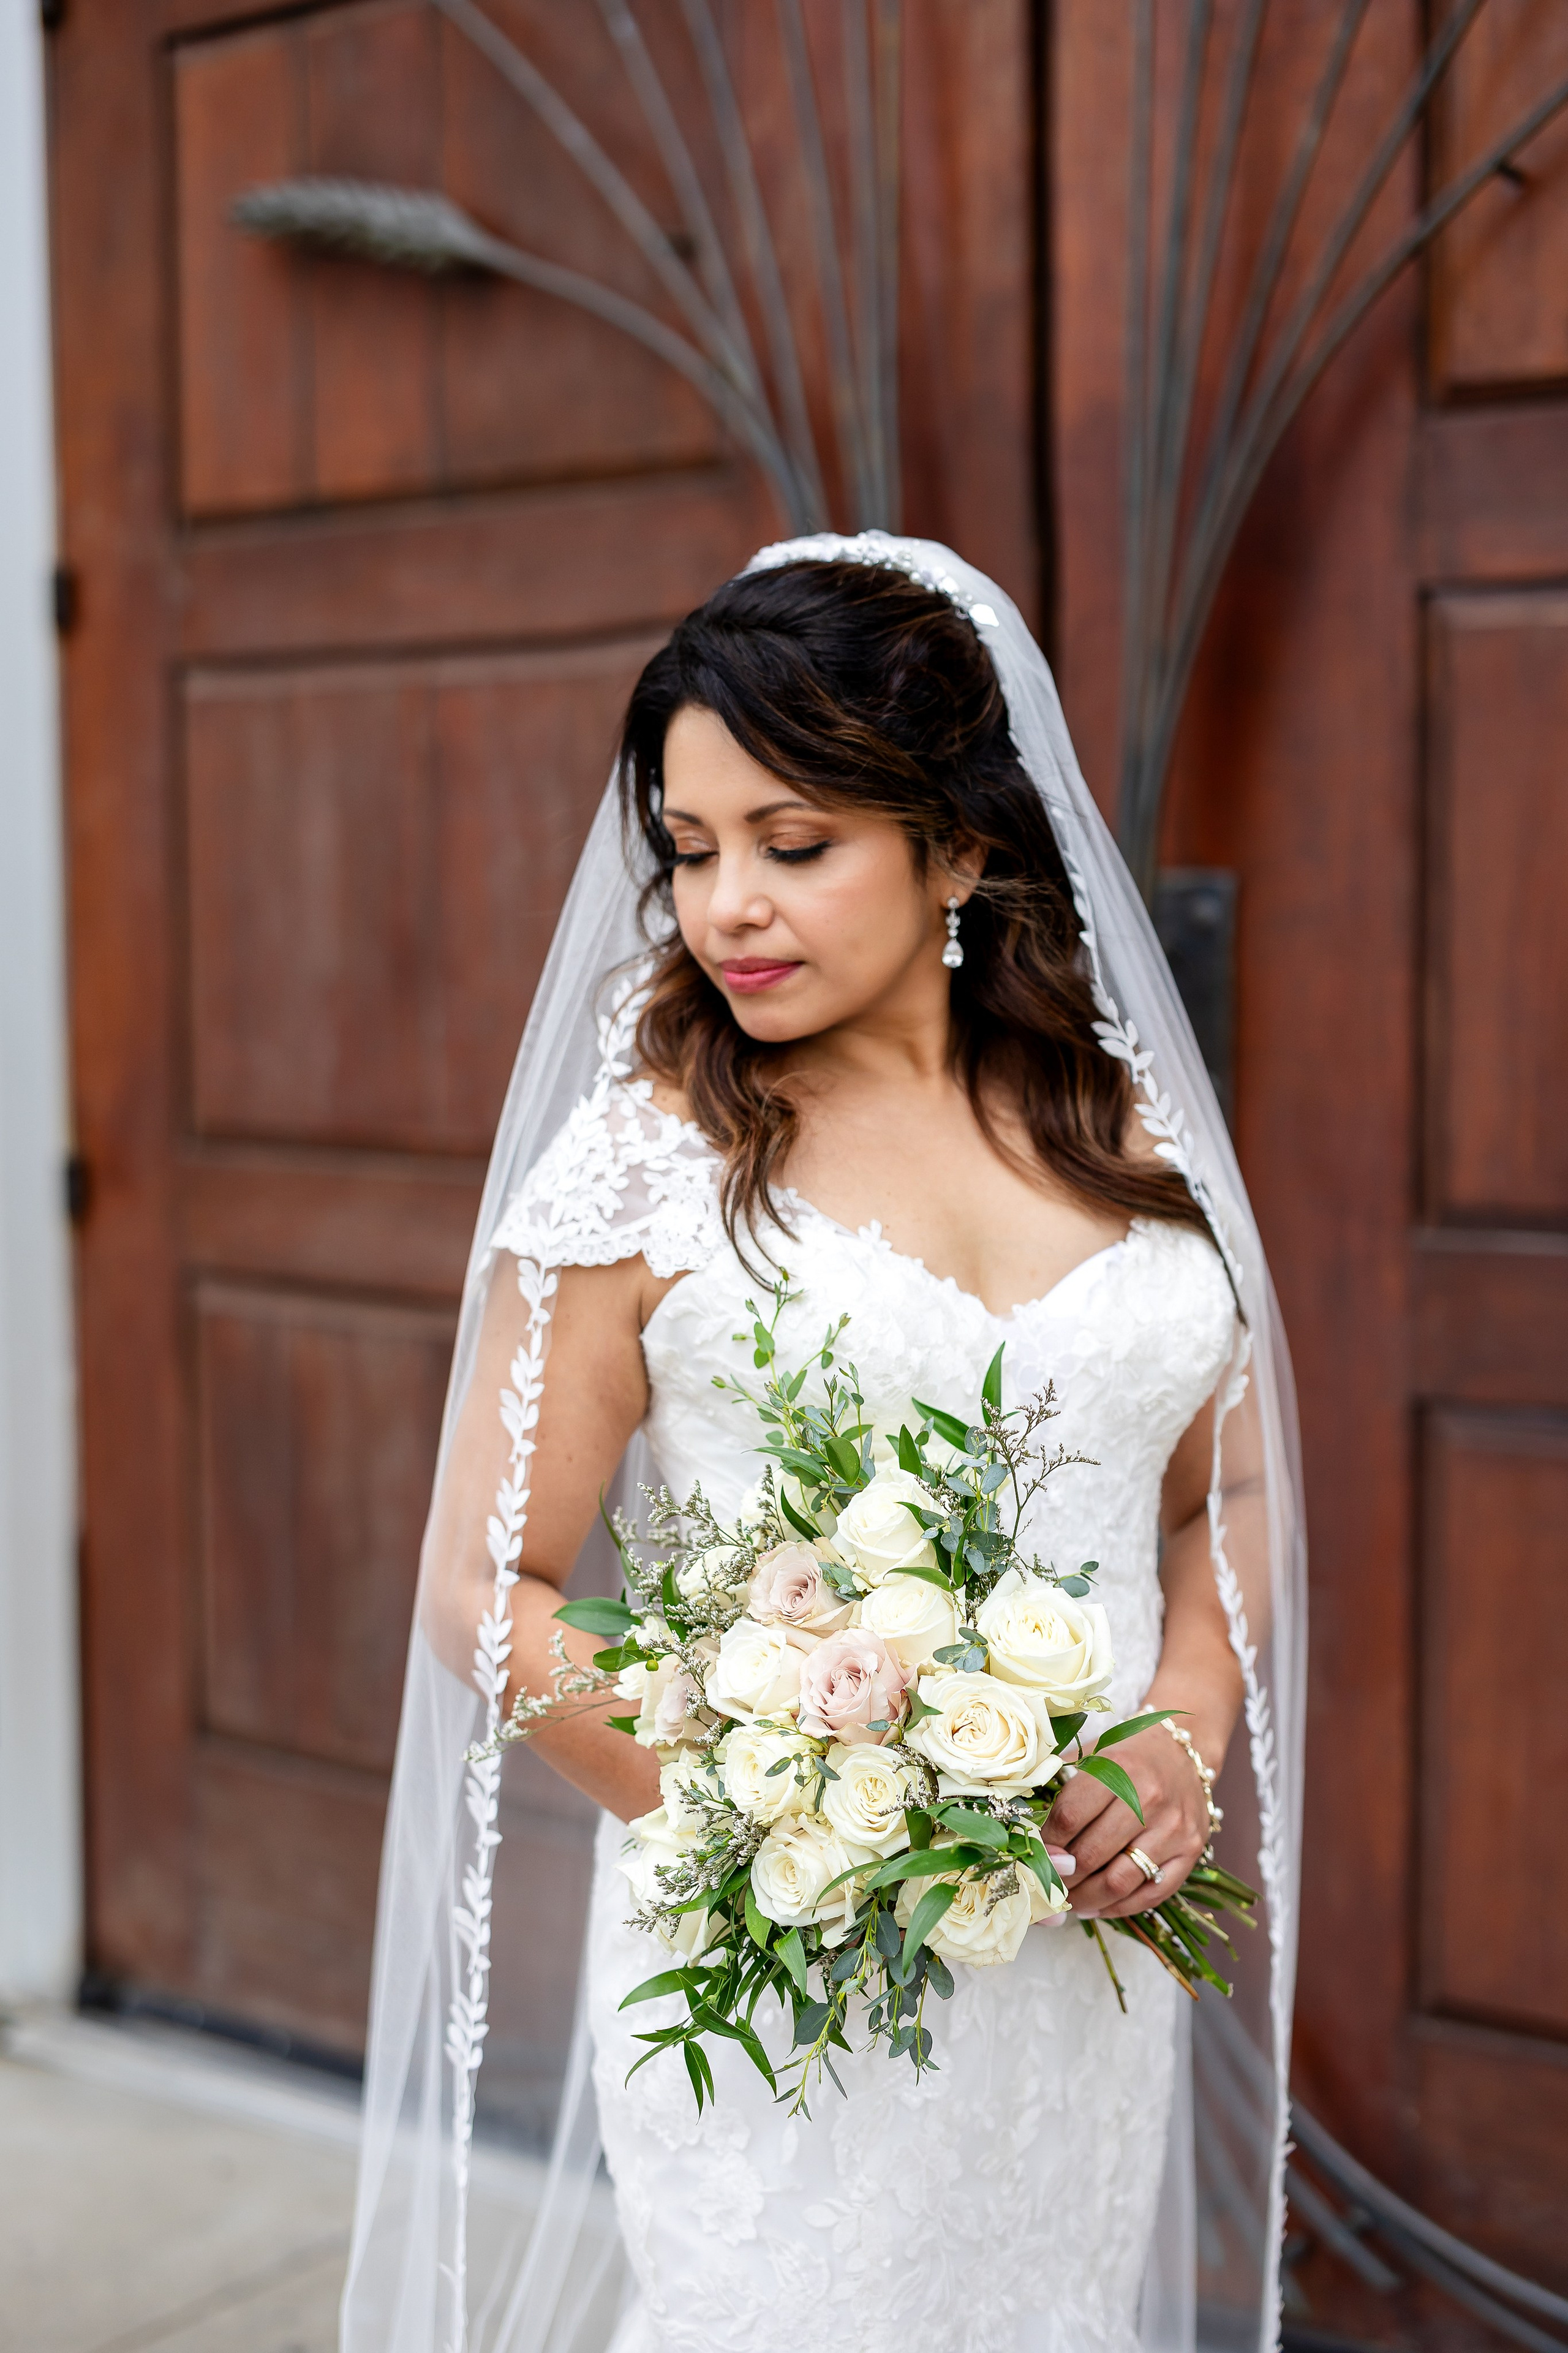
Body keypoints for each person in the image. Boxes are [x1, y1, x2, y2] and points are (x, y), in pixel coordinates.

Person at [341, 536, 1303, 2353]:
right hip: (781, 1972)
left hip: (1078, 1962)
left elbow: (1220, 1489)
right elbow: (483, 1583)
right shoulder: (645, 1171)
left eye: (795, 844)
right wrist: (783, 1810)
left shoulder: (1119, 1127)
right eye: (691, 851)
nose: (727, 908)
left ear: (960, 847)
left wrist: (1182, 1727)